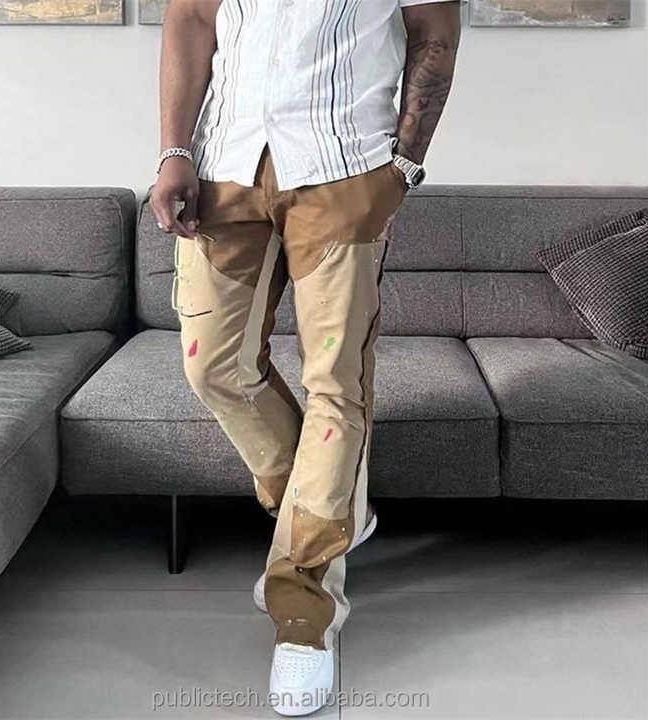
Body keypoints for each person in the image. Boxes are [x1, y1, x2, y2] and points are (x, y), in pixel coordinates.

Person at [150, 0, 462, 714]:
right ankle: (334, 503)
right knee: (212, 365)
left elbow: (435, 31)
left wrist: (402, 165)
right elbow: (191, 17)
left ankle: (304, 615)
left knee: (335, 387)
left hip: (343, 167)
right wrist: (175, 151)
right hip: (225, 163)